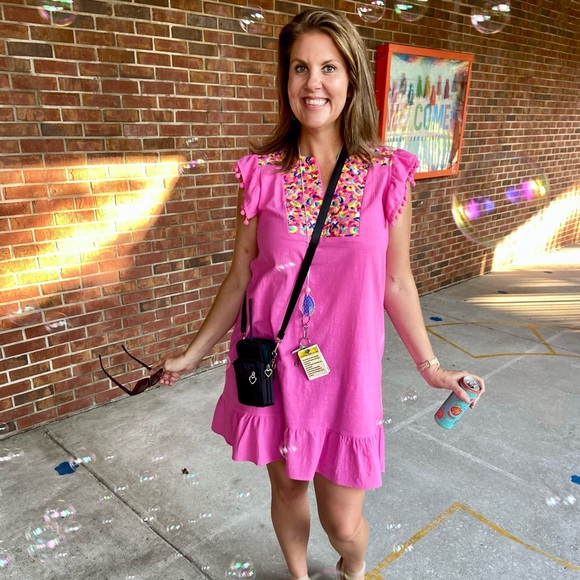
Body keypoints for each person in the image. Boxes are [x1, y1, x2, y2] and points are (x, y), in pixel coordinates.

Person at [157, 8, 485, 580]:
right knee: (287, 491)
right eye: (300, 68)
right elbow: (240, 276)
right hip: (274, 362)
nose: (313, 83)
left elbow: (396, 280)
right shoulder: (261, 173)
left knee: (343, 523)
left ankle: (352, 569)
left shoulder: (387, 174)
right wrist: (192, 353)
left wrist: (431, 367)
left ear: (351, 78)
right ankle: (299, 575)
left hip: (348, 373)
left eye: (329, 67)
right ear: (285, 79)